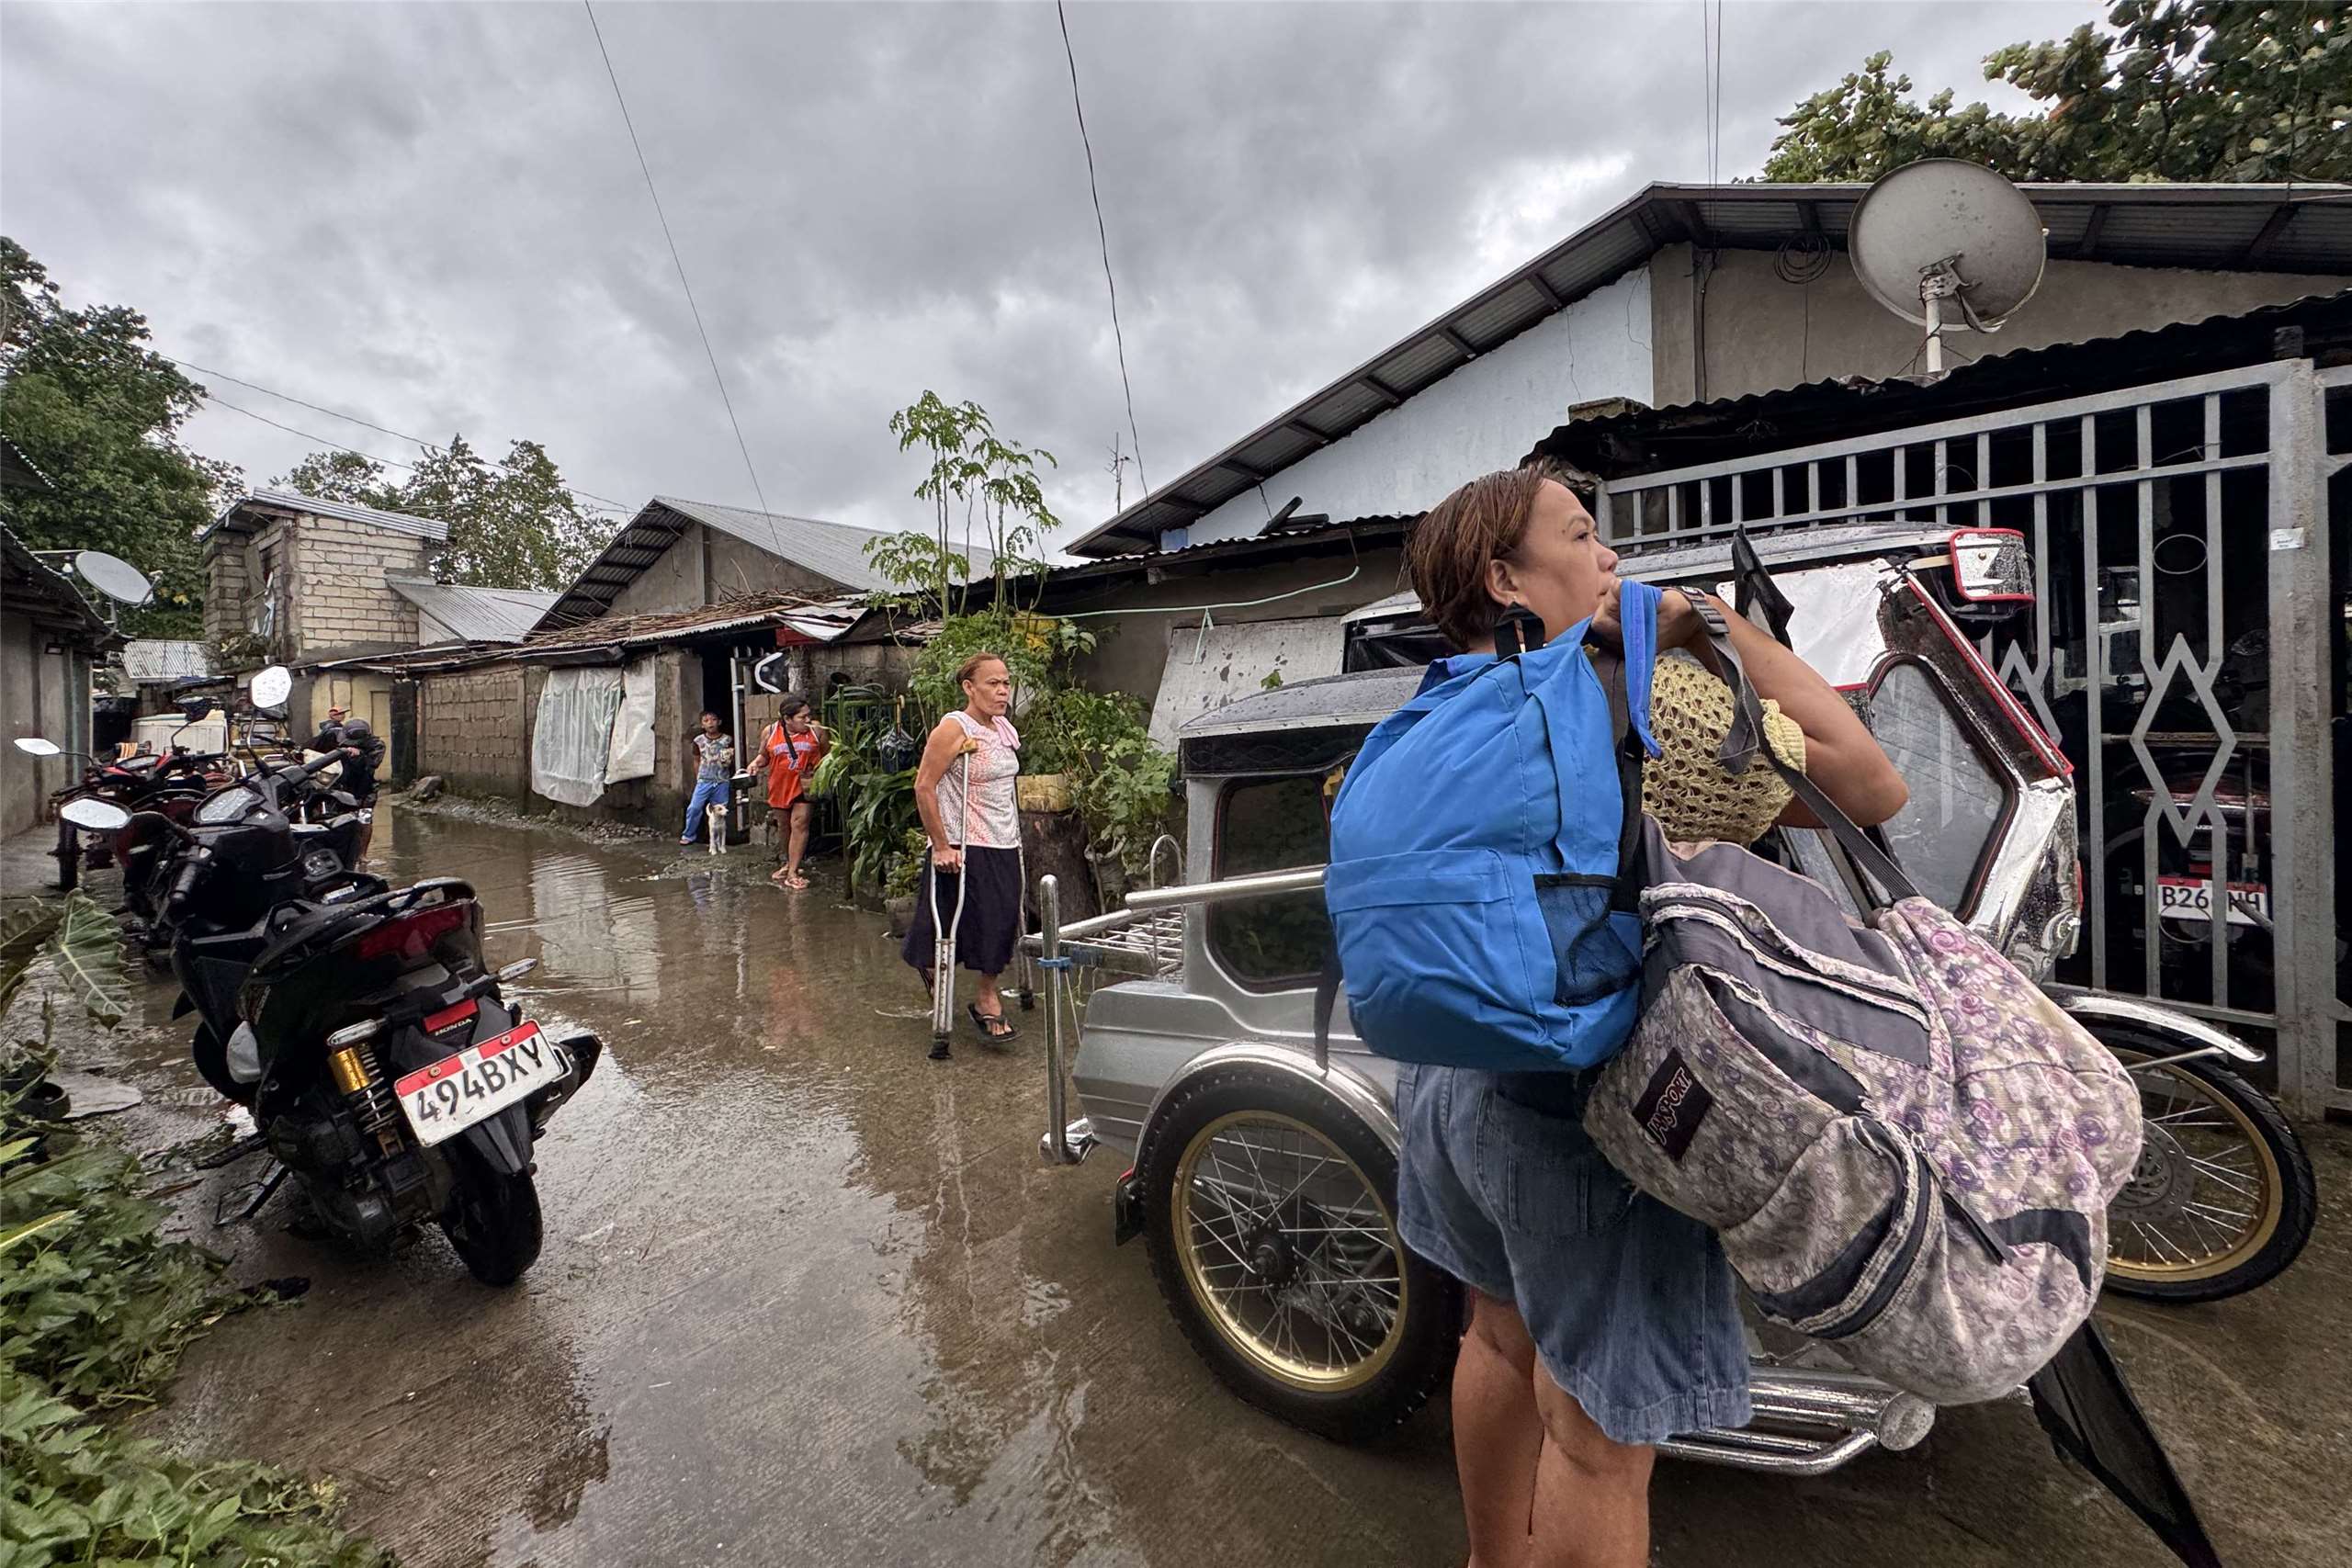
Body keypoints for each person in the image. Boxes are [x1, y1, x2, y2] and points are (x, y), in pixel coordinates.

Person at [1394, 467, 1905, 1568]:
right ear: (1504, 576)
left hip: (1456, 1080)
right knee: (1597, 1440)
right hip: (1599, 1110)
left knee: (1493, 1332)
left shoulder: (1442, 698)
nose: (1614, 557)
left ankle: (1490, 1558)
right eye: (1584, 536)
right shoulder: (1648, 696)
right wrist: (1708, 622)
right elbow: (1870, 785)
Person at [900, 652, 1023, 1059]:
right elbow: (924, 786)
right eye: (993, 683)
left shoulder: (1003, 728)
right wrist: (940, 845)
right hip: (963, 843)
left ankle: (985, 995)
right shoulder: (953, 727)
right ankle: (940, 975)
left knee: (1000, 920)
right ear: (969, 688)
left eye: (1006, 682)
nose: (1002, 690)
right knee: (949, 923)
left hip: (1003, 841)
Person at [759, 694, 829, 888]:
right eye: (802, 717)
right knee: (784, 827)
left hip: (805, 787)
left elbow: (827, 755)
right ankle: (788, 863)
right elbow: (764, 757)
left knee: (800, 823)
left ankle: (792, 873)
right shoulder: (770, 732)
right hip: (779, 786)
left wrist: (817, 771)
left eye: (808, 715)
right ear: (787, 719)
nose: (807, 720)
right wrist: (754, 764)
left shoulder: (817, 731)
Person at [681, 711, 734, 846]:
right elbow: (696, 760)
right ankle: (689, 835)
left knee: (720, 811)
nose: (710, 723)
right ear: (702, 725)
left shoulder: (727, 740)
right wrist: (698, 776)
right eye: (706, 721)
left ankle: (717, 839)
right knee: (694, 808)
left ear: (719, 722)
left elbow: (733, 758)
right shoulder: (698, 741)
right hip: (704, 780)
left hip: (722, 780)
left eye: (713, 719)